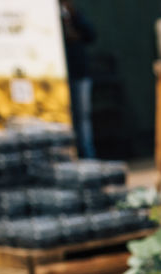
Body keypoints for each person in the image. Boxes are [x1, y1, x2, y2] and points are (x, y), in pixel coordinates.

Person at [60, 0, 96, 158]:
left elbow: (91, 35)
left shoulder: (75, 14)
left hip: (80, 73)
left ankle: (88, 156)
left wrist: (74, 16)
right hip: (59, 78)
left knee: (83, 117)